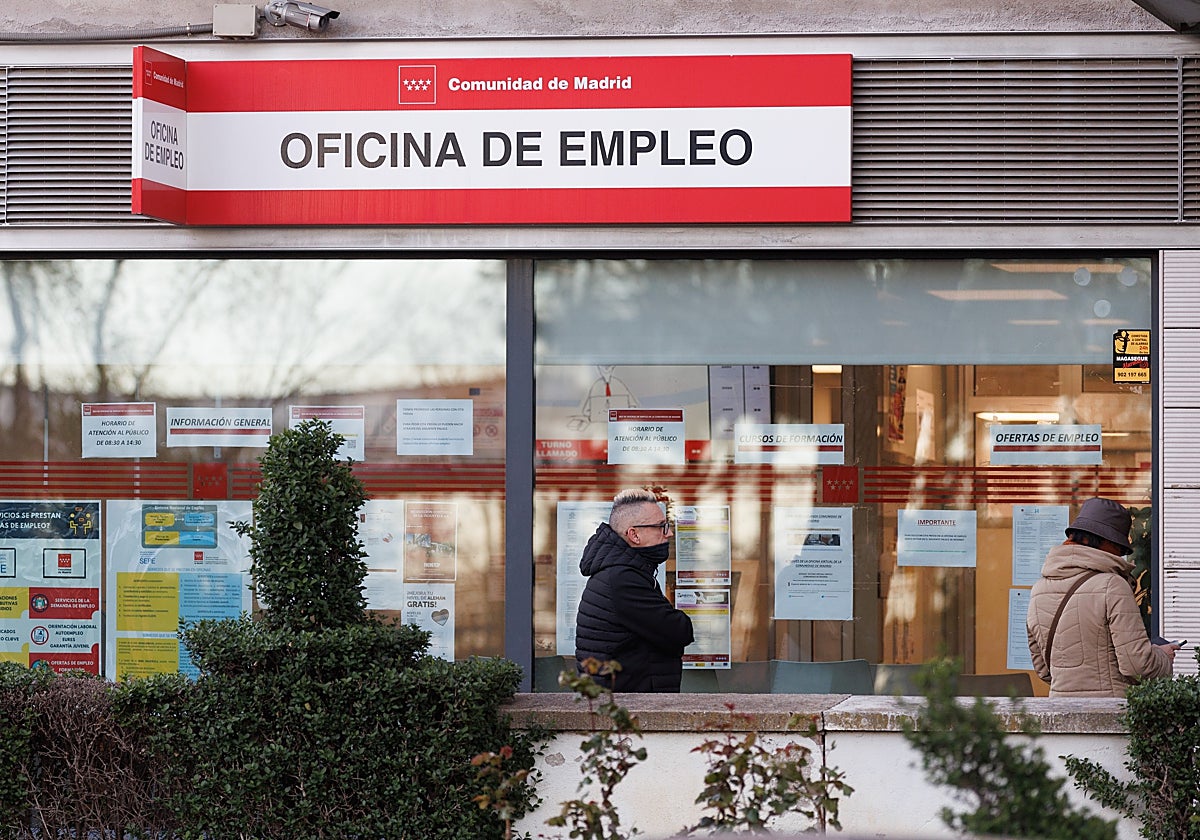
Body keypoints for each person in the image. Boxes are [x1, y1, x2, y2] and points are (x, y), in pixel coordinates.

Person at [1026, 497, 1179, 697]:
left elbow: (1044, 670)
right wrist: (1163, 657)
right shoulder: (1112, 586)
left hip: (1060, 714)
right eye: (1120, 548)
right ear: (1105, 542)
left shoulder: (1038, 589)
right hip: (1109, 716)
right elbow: (1138, 666)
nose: (1121, 555)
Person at [575, 488, 695, 692]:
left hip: (626, 701)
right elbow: (679, 630)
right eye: (661, 527)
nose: (669, 533)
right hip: (628, 707)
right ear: (634, 534)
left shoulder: (624, 572)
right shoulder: (623, 579)